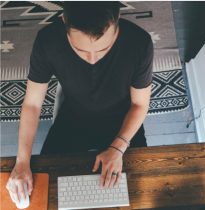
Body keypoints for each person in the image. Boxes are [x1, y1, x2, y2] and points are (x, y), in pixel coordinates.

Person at [6, 1, 154, 204]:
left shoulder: (139, 42)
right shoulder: (48, 40)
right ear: (64, 20)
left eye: (104, 49)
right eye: (81, 50)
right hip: (73, 118)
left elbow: (140, 105)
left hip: (122, 120)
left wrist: (118, 148)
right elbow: (32, 104)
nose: (92, 59)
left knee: (140, 194)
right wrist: (21, 162)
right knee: (43, 192)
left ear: (117, 19)